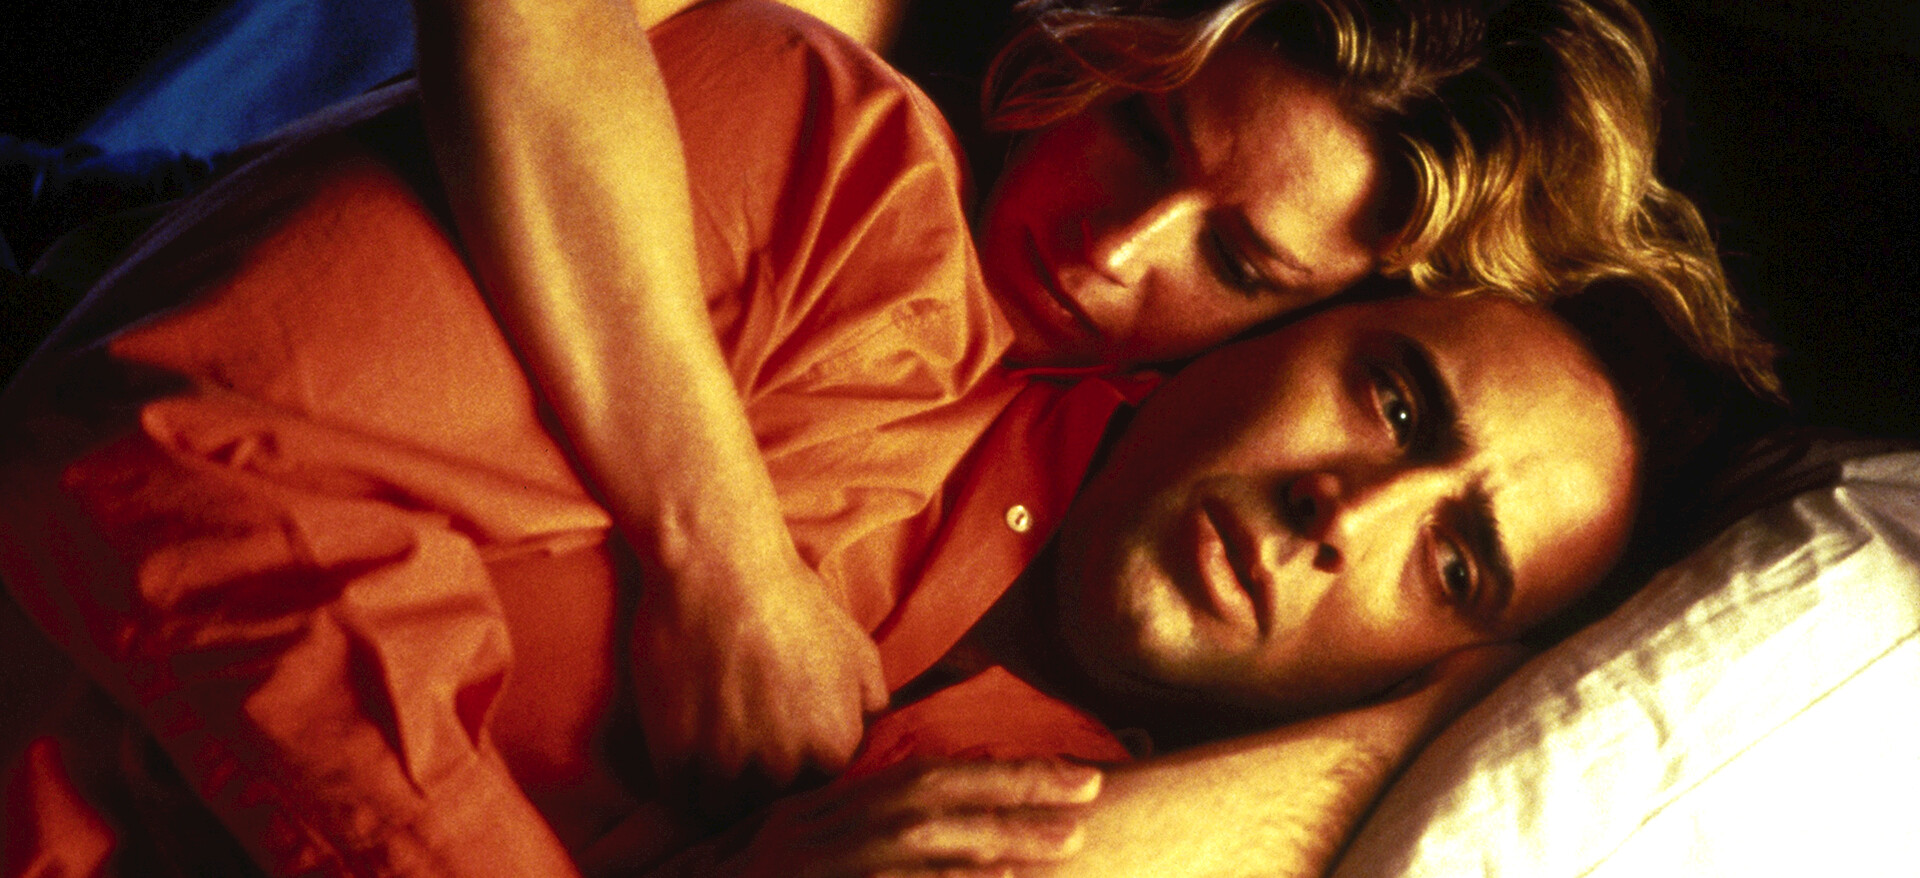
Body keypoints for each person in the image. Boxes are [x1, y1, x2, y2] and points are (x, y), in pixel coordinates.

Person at [406, 0, 1777, 813]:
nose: (1112, 250)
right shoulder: (852, 121)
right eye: (1139, 130)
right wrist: (726, 559)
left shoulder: (1135, 684)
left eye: (1237, 262)